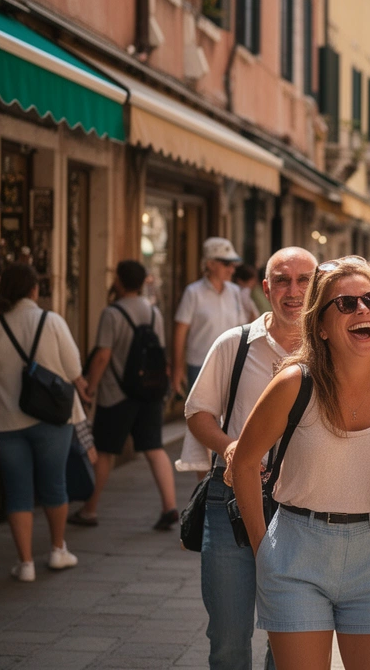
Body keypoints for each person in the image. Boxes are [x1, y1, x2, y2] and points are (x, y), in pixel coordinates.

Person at [227, 256, 370, 670]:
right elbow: (244, 463)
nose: (364, 310)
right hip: (296, 553)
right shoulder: (294, 383)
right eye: (346, 303)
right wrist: (262, 551)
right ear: (321, 326)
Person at [180, 247, 315, 670]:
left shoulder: (331, 351)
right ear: (266, 289)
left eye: (304, 280)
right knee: (228, 636)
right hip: (232, 502)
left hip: (303, 507)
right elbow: (197, 411)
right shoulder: (234, 344)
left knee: (291, 637)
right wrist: (227, 446)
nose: (293, 291)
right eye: (283, 280)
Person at [0, 264, 87, 581]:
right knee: (54, 484)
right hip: (52, 419)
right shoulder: (52, 321)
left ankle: (25, 563)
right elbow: (74, 369)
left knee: (17, 491)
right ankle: (57, 549)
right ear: (34, 290)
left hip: (5, 421)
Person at [70, 261, 177, 531]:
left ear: (118, 280)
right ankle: (170, 507)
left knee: (105, 451)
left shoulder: (112, 313)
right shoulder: (154, 312)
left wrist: (90, 387)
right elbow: (160, 353)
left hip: (116, 394)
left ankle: (89, 509)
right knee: (154, 448)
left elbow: (102, 356)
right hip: (149, 392)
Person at [172, 237, 248, 397]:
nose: (232, 269)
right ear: (210, 264)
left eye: (233, 264)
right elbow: (180, 332)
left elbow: (242, 328)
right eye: (226, 264)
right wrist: (177, 369)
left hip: (231, 364)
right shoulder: (193, 292)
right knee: (199, 411)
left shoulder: (235, 292)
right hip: (200, 365)